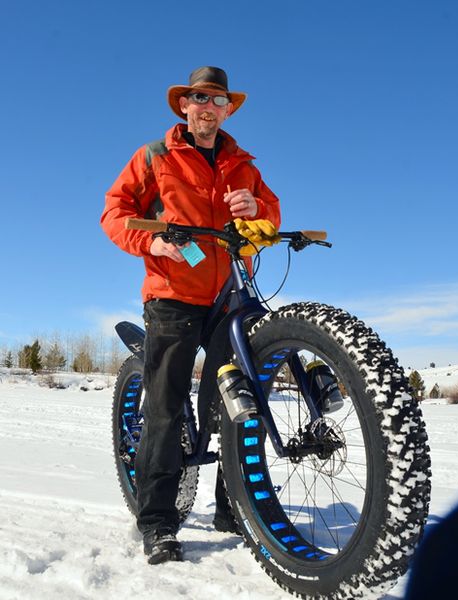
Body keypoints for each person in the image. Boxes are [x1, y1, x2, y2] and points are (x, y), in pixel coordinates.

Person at [101, 66, 280, 565]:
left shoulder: (243, 163)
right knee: (164, 407)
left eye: (218, 100)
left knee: (237, 403)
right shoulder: (155, 156)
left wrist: (257, 209)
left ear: (227, 109)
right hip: (172, 292)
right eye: (199, 98)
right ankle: (158, 521)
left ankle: (233, 507)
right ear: (185, 106)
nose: (208, 107)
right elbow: (114, 212)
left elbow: (271, 213)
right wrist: (153, 240)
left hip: (228, 292)